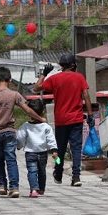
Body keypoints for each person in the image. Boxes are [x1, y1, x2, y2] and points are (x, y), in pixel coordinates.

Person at [0, 67, 47, 199]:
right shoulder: (14, 95)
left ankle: (2, 185)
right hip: (9, 132)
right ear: (9, 80)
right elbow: (27, 110)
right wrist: (40, 118)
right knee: (11, 159)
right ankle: (14, 187)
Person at [33, 54, 94, 187]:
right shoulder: (79, 77)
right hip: (76, 119)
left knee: (59, 149)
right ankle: (76, 176)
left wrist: (44, 74)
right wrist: (90, 115)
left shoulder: (54, 78)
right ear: (73, 65)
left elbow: (36, 88)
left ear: (61, 65)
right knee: (76, 149)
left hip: (61, 120)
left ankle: (58, 171)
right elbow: (86, 96)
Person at [16, 99, 58, 198]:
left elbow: (20, 137)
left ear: (29, 113)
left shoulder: (25, 126)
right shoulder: (46, 127)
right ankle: (41, 189)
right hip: (43, 153)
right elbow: (51, 139)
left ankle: (33, 189)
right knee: (42, 171)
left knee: (32, 171)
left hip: (30, 153)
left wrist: (18, 146)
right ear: (42, 112)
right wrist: (54, 150)